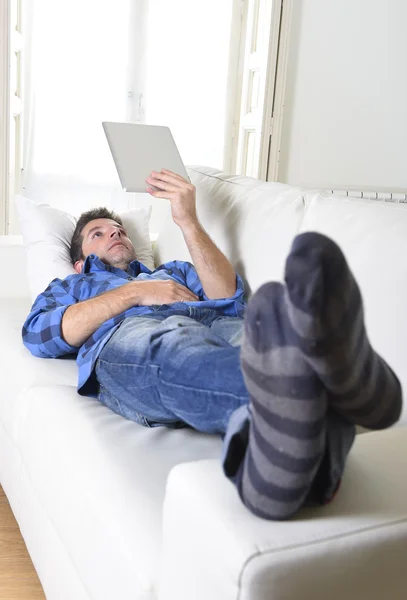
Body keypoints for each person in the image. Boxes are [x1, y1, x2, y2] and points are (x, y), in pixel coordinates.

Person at [22, 169, 402, 520]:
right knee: (177, 347)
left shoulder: (173, 270)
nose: (116, 234)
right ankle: (353, 389)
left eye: (118, 229)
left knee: (256, 335)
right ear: (78, 261)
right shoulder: (71, 287)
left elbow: (230, 298)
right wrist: (138, 293)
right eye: (99, 234)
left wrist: (187, 220)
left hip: (218, 322)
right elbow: (40, 334)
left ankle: (275, 475)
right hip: (132, 336)